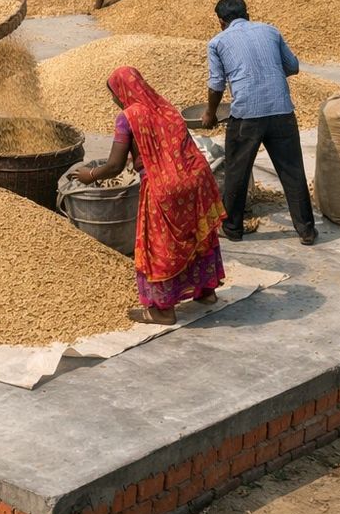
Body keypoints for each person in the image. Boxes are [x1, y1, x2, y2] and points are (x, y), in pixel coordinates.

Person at [74, 66, 226, 325]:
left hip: (164, 188)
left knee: (160, 247)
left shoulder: (128, 117)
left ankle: (162, 310)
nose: (115, 100)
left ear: (122, 92)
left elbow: (115, 165)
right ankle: (206, 292)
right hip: (195, 179)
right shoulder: (165, 107)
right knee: (194, 234)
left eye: (114, 94)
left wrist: (90, 175)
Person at [202, 0, 317, 246]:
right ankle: (306, 230)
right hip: (281, 111)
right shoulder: (270, 30)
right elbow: (293, 67)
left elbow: (216, 85)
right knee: (292, 170)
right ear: (248, 13)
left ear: (221, 21)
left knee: (237, 170)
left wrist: (210, 114)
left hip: (246, 116)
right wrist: (268, 70)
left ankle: (232, 228)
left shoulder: (218, 42)